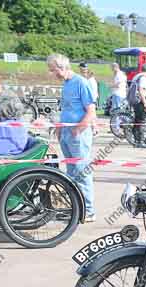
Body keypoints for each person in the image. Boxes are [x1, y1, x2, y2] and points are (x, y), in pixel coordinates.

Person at [48, 53, 97, 222]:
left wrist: (78, 129)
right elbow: (67, 109)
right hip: (67, 133)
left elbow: (91, 110)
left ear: (61, 67)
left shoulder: (81, 83)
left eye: (53, 70)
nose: (52, 74)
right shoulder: (66, 84)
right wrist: (60, 127)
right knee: (71, 172)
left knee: (82, 171)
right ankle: (77, 207)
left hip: (78, 134)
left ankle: (89, 210)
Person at [129, 63, 146, 149]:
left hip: (134, 101)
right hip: (140, 101)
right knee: (142, 121)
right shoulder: (143, 78)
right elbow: (141, 90)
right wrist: (145, 103)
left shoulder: (137, 76)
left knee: (137, 121)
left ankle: (136, 140)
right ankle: (141, 141)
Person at [109, 62, 127, 131]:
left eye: (112, 68)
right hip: (118, 94)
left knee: (117, 111)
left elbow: (118, 85)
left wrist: (111, 86)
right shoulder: (120, 74)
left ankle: (116, 127)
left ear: (115, 67)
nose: (111, 69)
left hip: (118, 94)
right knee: (117, 111)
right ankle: (116, 127)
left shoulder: (119, 74)